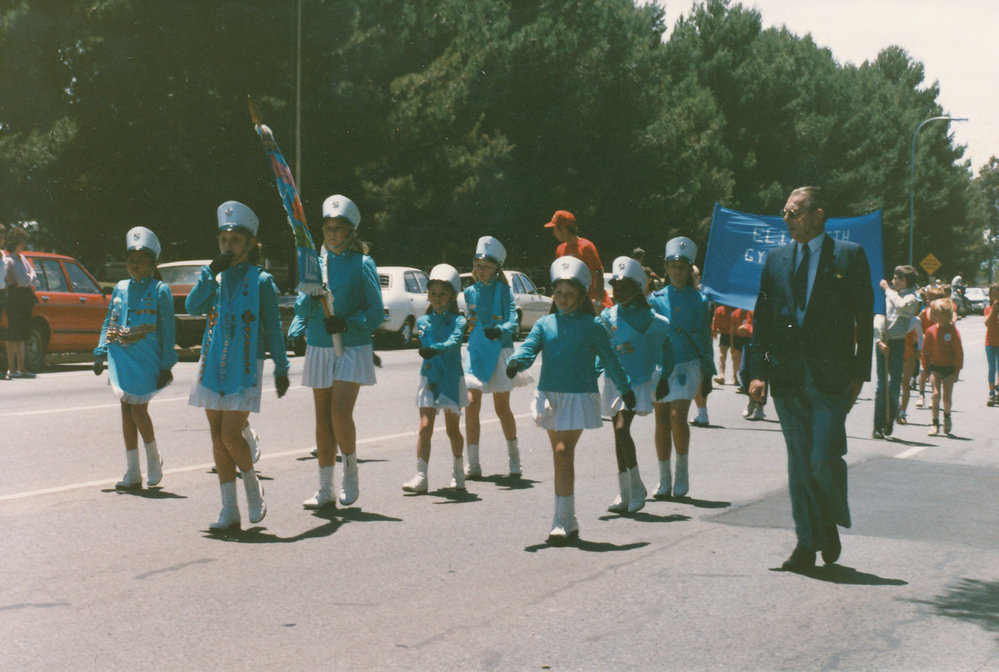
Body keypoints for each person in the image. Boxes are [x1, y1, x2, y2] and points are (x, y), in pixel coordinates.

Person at [747, 186, 873, 571]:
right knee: (799, 464)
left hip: (831, 378)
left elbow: (864, 319)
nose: (786, 219)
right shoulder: (775, 259)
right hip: (786, 376)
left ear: (817, 215)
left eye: (794, 212)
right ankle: (806, 542)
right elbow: (763, 321)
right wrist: (756, 373)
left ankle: (828, 521)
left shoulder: (848, 257)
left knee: (822, 459)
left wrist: (860, 373)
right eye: (784, 213)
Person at [506, 256, 634, 545]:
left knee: (563, 452)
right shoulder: (545, 323)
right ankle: (568, 519)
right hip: (550, 394)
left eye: (570, 294)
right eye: (559, 293)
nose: (563, 299)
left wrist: (625, 388)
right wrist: (516, 362)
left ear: (581, 296)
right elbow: (528, 349)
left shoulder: (593, 325)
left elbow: (611, 359)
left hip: (578, 395)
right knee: (560, 457)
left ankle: (561, 521)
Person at [187, 201, 290, 532]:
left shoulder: (261, 281)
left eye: (234, 240)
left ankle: (252, 485)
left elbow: (273, 328)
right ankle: (228, 509)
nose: (227, 246)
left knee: (231, 434)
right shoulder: (214, 278)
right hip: (213, 361)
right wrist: (208, 272)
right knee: (217, 435)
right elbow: (192, 306)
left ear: (250, 243)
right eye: (223, 241)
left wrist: (282, 367)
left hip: (245, 364)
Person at [290, 195, 384, 510]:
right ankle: (324, 488)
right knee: (322, 418)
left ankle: (351, 473)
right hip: (319, 343)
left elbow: (375, 313)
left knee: (340, 413)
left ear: (350, 231)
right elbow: (303, 305)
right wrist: (305, 308)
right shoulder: (314, 263)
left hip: (352, 346)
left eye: (338, 228)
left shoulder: (363, 263)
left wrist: (347, 321)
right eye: (327, 227)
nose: (332, 233)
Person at [93, 227, 177, 488]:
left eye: (142, 260)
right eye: (131, 260)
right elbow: (109, 321)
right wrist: (100, 349)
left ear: (153, 264)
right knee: (126, 411)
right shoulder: (119, 287)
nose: (135, 265)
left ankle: (153, 459)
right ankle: (132, 471)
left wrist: (166, 364)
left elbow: (168, 330)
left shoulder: (160, 289)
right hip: (121, 357)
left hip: (146, 359)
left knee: (139, 411)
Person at [598, 256, 674, 514]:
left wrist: (664, 377)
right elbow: (602, 349)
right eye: (614, 286)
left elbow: (667, 349)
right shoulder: (608, 316)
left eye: (623, 287)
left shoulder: (651, 318)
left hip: (637, 379)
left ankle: (637, 487)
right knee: (616, 435)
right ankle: (625, 492)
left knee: (621, 429)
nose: (616, 291)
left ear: (636, 288)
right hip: (613, 379)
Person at [649, 237, 714, 497]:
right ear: (666, 268)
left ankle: (682, 473)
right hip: (660, 366)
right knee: (661, 419)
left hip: (687, 364)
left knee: (678, 416)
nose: (677, 271)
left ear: (690, 270)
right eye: (673, 266)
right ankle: (664, 479)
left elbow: (705, 338)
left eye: (683, 267)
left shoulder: (700, 300)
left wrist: (708, 371)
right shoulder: (654, 298)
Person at [402, 264, 467, 494]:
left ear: (452, 296)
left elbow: (453, 343)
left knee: (452, 429)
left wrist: (436, 349)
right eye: (433, 294)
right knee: (425, 426)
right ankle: (421, 476)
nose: (437, 299)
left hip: (450, 377)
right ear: (427, 295)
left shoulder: (458, 321)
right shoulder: (422, 322)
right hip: (429, 376)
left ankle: (458, 472)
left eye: (443, 294)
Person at [462, 236, 523, 479]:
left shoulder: (504, 291)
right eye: (477, 265)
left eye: (486, 266)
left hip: (499, 350)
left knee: (501, 407)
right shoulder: (469, 292)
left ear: (497, 269)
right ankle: (473, 462)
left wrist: (500, 330)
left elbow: (512, 320)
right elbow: (469, 321)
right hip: (476, 352)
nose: (480, 270)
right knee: (471, 404)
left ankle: (514, 457)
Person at [871, 265, 920, 438]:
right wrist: (878, 340)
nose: (892, 281)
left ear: (904, 280)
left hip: (898, 343)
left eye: (896, 278)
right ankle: (877, 426)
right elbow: (878, 316)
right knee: (881, 385)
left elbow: (900, 307)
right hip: (884, 341)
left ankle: (889, 420)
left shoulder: (912, 298)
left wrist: (887, 290)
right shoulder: (887, 295)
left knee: (893, 386)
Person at [545, 210, 611, 311]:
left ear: (563, 229)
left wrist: (598, 301)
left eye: (554, 229)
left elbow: (598, 274)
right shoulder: (560, 249)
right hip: (570, 301)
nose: (553, 233)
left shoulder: (586, 247)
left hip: (589, 301)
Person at [921, 298, 963, 436]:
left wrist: (957, 371)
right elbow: (925, 352)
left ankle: (947, 416)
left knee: (946, 398)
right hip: (935, 367)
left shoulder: (953, 332)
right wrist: (926, 369)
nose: (933, 316)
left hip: (949, 368)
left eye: (936, 313)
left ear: (946, 315)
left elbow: (958, 353)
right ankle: (935, 423)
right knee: (935, 394)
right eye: (933, 313)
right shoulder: (930, 331)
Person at [3, 226, 37, 379]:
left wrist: (28, 278)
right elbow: (22, 279)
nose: (23, 245)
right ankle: (11, 368)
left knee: (22, 333)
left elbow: (33, 275)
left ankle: (21, 367)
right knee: (13, 334)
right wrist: (28, 278)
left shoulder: (22, 258)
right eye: (21, 242)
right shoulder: (10, 260)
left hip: (24, 298)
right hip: (14, 298)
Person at [711, 304, 734, 385]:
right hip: (726, 334)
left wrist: (714, 330)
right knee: (722, 355)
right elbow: (716, 320)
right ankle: (721, 375)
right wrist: (714, 330)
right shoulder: (720, 310)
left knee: (735, 356)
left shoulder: (737, 308)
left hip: (735, 333)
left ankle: (735, 376)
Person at [986, 284, 999, 407]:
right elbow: (987, 323)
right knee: (992, 368)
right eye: (993, 295)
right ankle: (991, 392)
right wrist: (994, 310)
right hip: (990, 341)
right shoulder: (988, 307)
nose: (995, 297)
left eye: (997, 295)